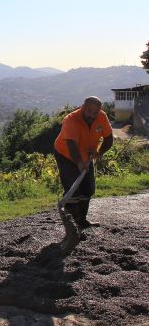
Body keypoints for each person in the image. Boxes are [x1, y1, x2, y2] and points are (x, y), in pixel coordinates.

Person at [54, 96, 113, 229]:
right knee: (73, 189)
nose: (92, 115)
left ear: (99, 111)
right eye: (89, 111)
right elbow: (71, 145)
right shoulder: (71, 120)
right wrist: (79, 163)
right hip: (66, 156)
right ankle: (72, 226)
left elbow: (108, 139)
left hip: (86, 156)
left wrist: (98, 153)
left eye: (95, 112)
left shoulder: (102, 117)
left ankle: (82, 221)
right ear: (83, 107)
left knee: (88, 189)